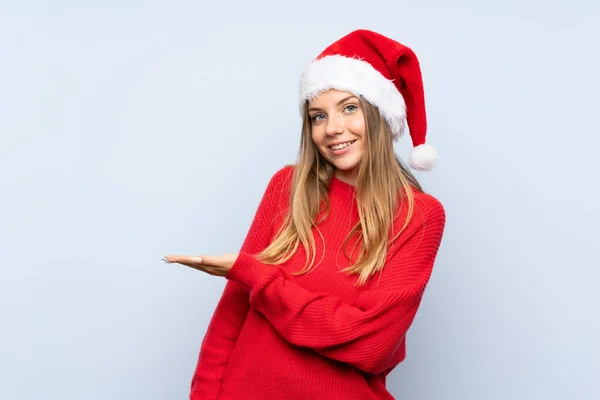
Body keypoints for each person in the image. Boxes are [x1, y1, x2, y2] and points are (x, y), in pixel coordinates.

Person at [163, 29, 446, 400]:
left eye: (349, 108)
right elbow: (229, 322)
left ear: (379, 114)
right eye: (317, 116)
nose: (332, 129)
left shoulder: (419, 216)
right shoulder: (288, 187)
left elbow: (371, 344)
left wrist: (259, 277)